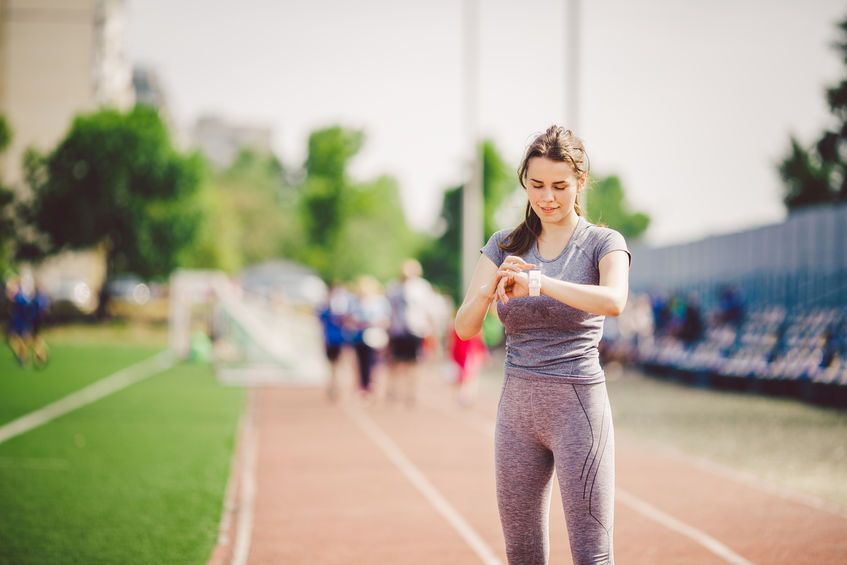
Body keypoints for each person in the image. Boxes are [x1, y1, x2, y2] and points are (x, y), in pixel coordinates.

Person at [454, 125, 630, 565]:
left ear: (580, 183)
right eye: (536, 186)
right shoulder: (503, 244)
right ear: (524, 183)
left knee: (592, 555)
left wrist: (539, 282)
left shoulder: (602, 243)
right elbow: (464, 328)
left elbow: (614, 301)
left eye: (559, 186)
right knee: (522, 554)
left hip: (578, 409)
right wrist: (486, 289)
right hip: (517, 412)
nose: (547, 197)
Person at [385, 259, 436, 406]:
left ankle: (412, 392)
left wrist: (431, 329)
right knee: (395, 361)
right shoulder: (393, 287)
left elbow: (429, 310)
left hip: (416, 328)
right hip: (398, 329)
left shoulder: (422, 287)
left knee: (414, 361)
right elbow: (389, 310)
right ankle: (393, 390)